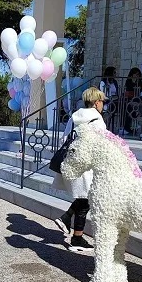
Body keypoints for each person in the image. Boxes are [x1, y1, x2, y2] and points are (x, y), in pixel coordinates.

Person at [52, 87, 108, 252]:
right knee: (86, 199)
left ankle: (76, 235)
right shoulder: (97, 120)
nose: (103, 105)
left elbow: (65, 137)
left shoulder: (75, 117)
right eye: (102, 101)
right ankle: (67, 221)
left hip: (73, 161)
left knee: (85, 200)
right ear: (97, 102)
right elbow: (102, 144)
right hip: (87, 165)